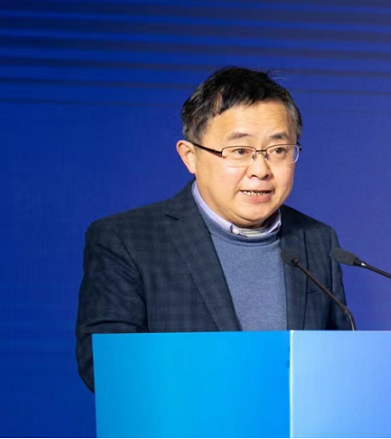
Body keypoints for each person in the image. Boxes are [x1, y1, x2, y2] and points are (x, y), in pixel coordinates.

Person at [75, 66, 351, 392]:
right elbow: (106, 367)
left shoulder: (317, 240)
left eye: (278, 151)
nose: (260, 170)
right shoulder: (126, 240)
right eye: (240, 151)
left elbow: (339, 363)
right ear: (190, 156)